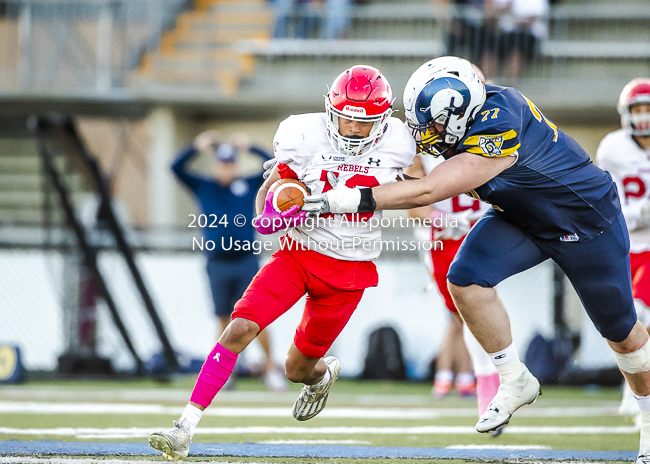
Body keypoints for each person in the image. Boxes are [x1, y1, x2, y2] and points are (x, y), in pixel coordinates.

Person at [303, 56, 650, 463]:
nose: (422, 133)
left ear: (458, 112)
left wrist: (338, 199)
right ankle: (513, 378)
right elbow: (397, 167)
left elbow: (426, 191)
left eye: (429, 124)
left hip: (585, 222)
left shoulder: (497, 127)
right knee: (465, 279)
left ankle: (647, 422)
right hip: (521, 216)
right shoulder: (468, 107)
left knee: (622, 335)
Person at [148, 64, 416, 461]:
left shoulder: (401, 144)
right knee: (239, 327)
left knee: (296, 370)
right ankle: (185, 426)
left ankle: (321, 374)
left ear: (384, 119)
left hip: (349, 270)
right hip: (298, 254)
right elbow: (270, 194)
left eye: (366, 122)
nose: (356, 130)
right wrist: (269, 213)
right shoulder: (302, 135)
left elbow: (422, 189)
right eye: (347, 119)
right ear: (330, 111)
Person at [171, 132, 287, 392]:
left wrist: (251, 147)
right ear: (215, 165)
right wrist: (196, 147)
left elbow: (277, 167)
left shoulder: (248, 185)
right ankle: (225, 372)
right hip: (217, 262)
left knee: (256, 318)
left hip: (246, 259)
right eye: (222, 163)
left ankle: (270, 369)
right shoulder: (205, 186)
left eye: (230, 163)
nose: (226, 168)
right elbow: (175, 168)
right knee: (224, 318)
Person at [407, 153, 505, 436]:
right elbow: (414, 207)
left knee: (477, 310)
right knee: (460, 315)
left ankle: (486, 383)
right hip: (442, 241)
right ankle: (469, 378)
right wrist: (443, 220)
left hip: (483, 230)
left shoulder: (485, 136)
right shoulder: (417, 149)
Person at [596, 77, 650, 418]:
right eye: (638, 109)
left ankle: (638, 390)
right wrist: (641, 212)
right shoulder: (613, 148)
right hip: (628, 242)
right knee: (630, 319)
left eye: (648, 109)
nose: (643, 116)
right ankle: (633, 385)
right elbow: (606, 205)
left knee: (643, 313)